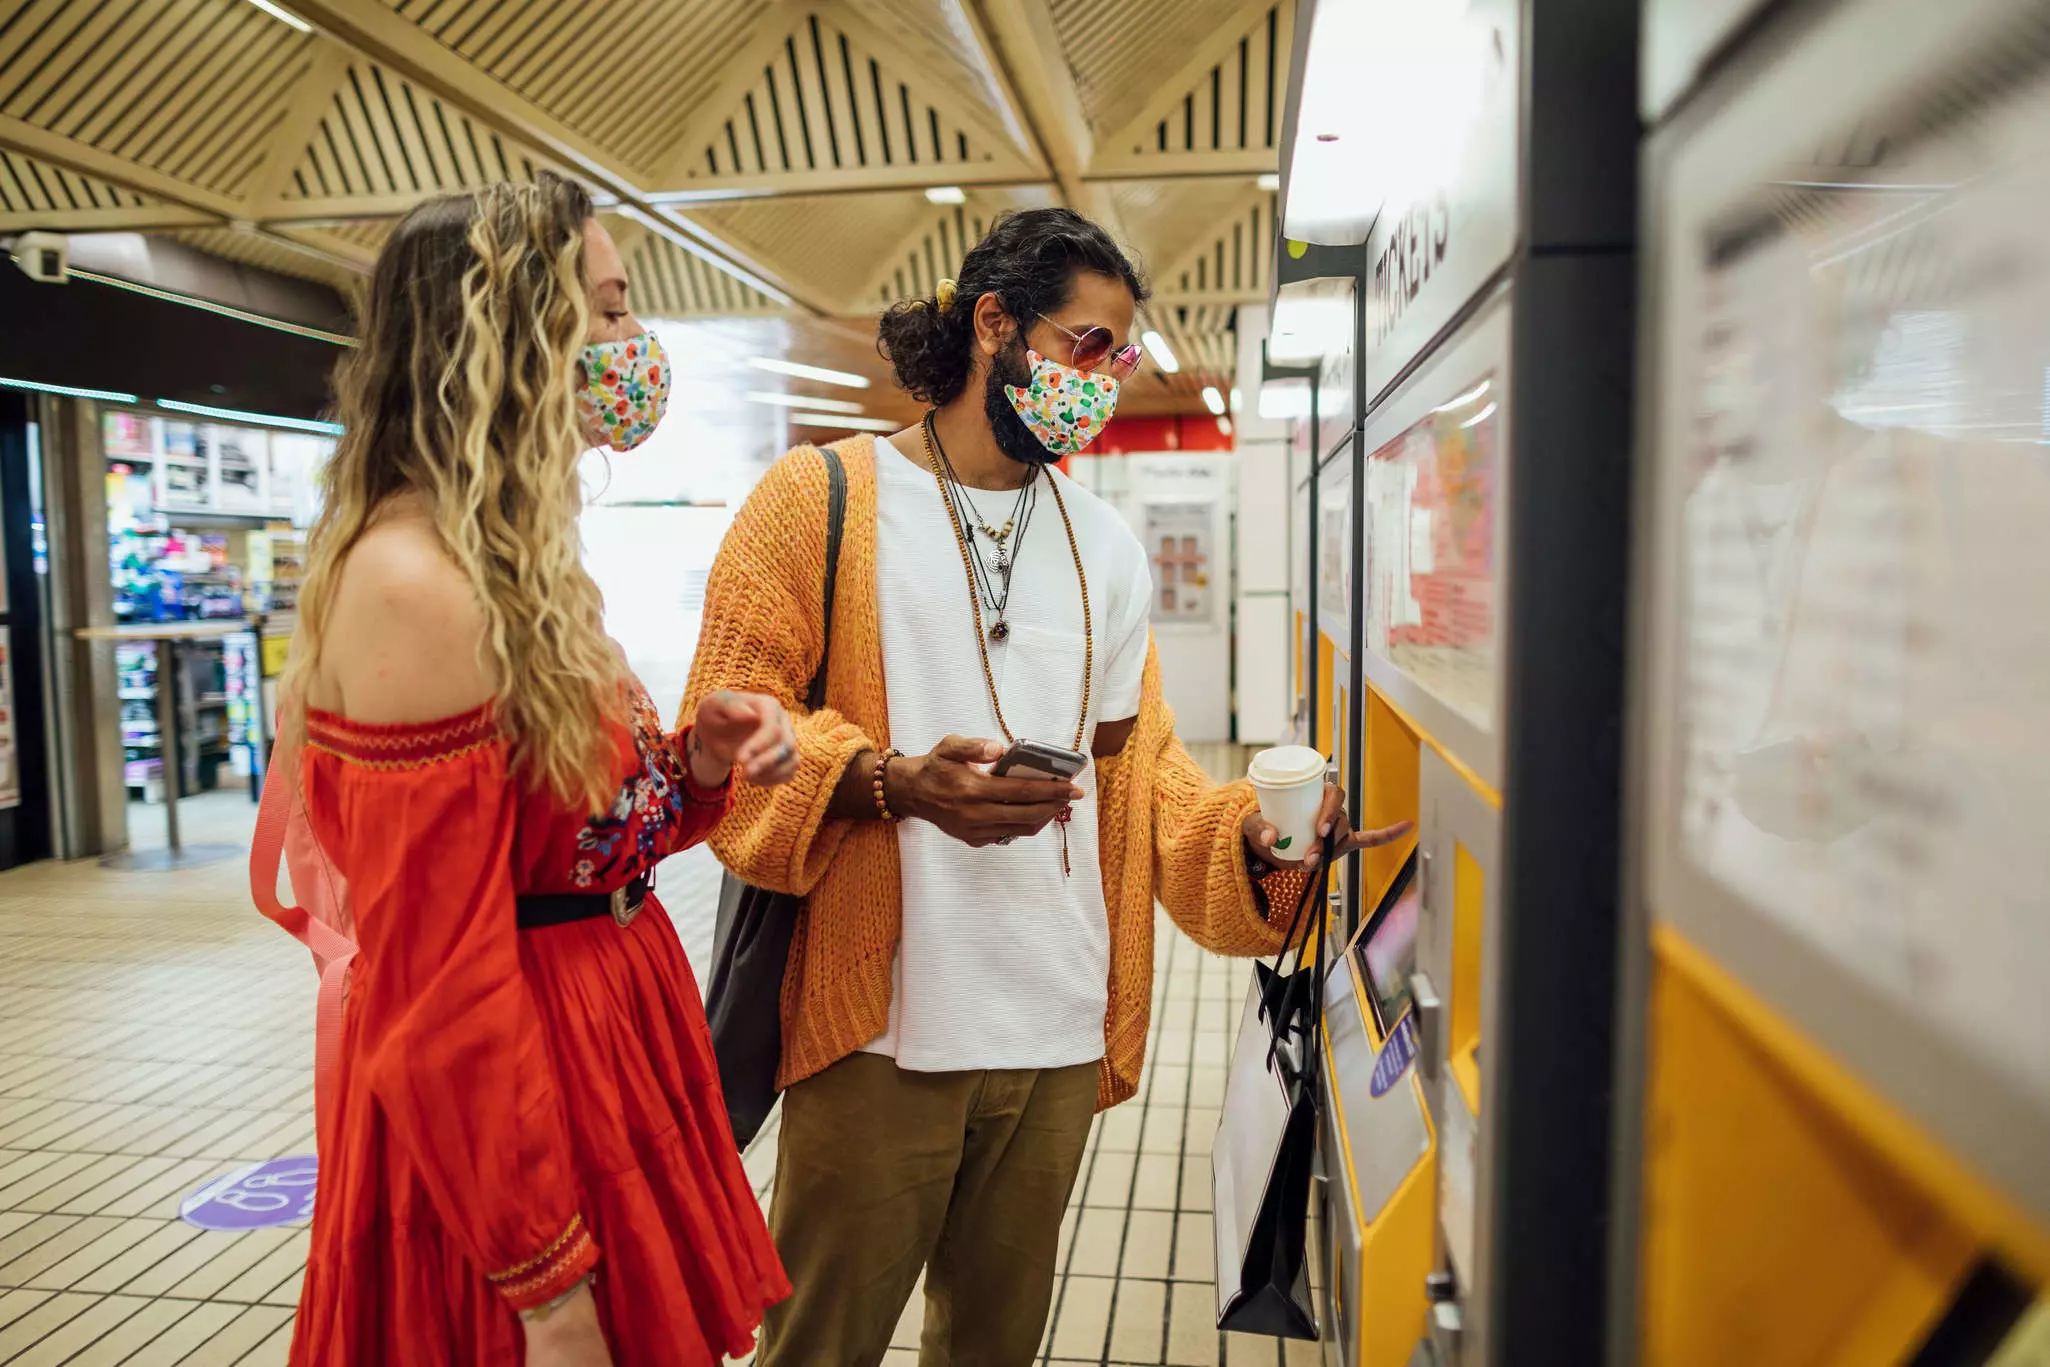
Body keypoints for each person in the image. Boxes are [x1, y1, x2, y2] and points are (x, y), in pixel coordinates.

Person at [682, 207, 1409, 1365]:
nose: (1102, 381)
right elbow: (725, 730)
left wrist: (1259, 841)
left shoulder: (1103, 548)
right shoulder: (818, 501)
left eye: (1118, 359)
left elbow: (1145, 778)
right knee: (821, 1343)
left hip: (1057, 1029)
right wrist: (885, 781)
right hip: (880, 1035)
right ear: (992, 325)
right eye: (1085, 345)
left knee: (993, 1346)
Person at [277, 175, 792, 1366]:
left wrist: (701, 760)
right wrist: (544, 1281)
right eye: (605, 312)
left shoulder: (513, 558)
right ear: (503, 336)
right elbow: (437, 981)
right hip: (518, 1114)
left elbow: (583, 839)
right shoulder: (414, 584)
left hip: (599, 1050)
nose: (631, 344)